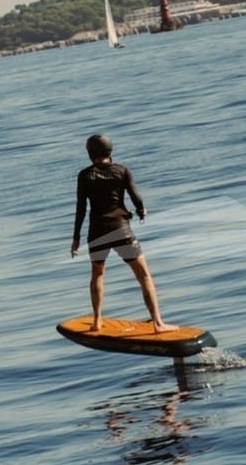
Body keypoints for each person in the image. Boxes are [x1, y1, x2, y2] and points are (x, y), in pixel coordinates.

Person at [71, 134, 178, 333]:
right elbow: (136, 196)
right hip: (120, 229)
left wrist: (76, 238)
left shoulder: (84, 175)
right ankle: (158, 323)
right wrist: (141, 210)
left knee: (97, 274)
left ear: (90, 153)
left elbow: (81, 209)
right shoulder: (122, 171)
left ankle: (97, 321)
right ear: (110, 151)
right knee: (144, 276)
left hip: (97, 231)